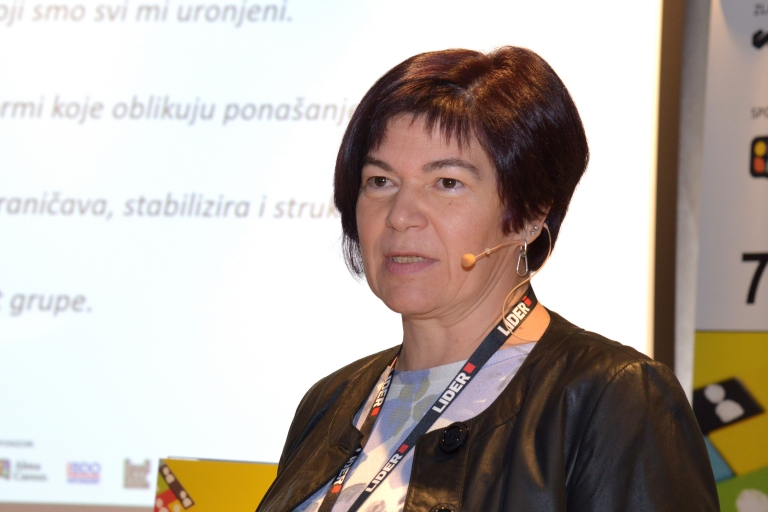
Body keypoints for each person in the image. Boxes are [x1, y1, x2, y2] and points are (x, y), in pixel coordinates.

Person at [256, 47, 719, 512]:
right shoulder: (332, 401)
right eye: (380, 180)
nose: (400, 216)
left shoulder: (612, 397)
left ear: (530, 214)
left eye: (447, 183)